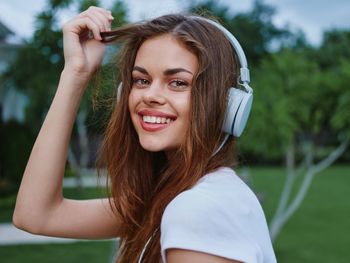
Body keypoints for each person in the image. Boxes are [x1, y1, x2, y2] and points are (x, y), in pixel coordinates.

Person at [13, 6, 277, 263]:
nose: (150, 95)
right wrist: (76, 73)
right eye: (142, 80)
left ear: (228, 105)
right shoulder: (167, 196)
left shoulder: (199, 209)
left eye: (178, 83)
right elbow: (35, 215)